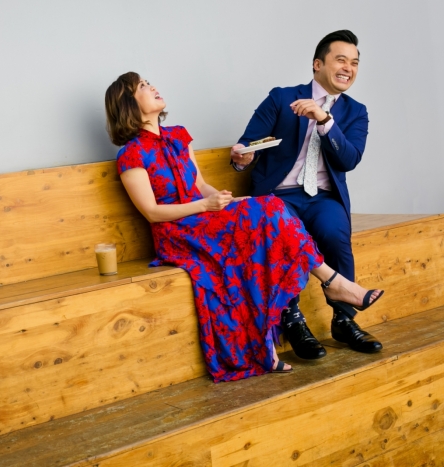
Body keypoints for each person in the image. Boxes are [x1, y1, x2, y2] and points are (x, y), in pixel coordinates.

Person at [104, 71, 384, 383]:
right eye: (143, 86)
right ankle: (335, 284)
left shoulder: (179, 135)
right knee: (269, 215)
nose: (152, 86)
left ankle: (285, 329)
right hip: (178, 234)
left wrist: (228, 200)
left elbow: (200, 184)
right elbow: (153, 213)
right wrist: (205, 206)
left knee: (270, 208)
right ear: (128, 103)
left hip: (205, 219)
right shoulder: (130, 155)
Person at [231, 30, 383, 360]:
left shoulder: (356, 112)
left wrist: (325, 119)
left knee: (335, 233)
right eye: (341, 59)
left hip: (323, 197)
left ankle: (344, 320)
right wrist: (243, 158)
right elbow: (249, 144)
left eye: (355, 63)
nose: (349, 68)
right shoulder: (281, 97)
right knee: (288, 233)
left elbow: (350, 160)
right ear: (318, 64)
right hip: (279, 197)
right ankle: (294, 320)